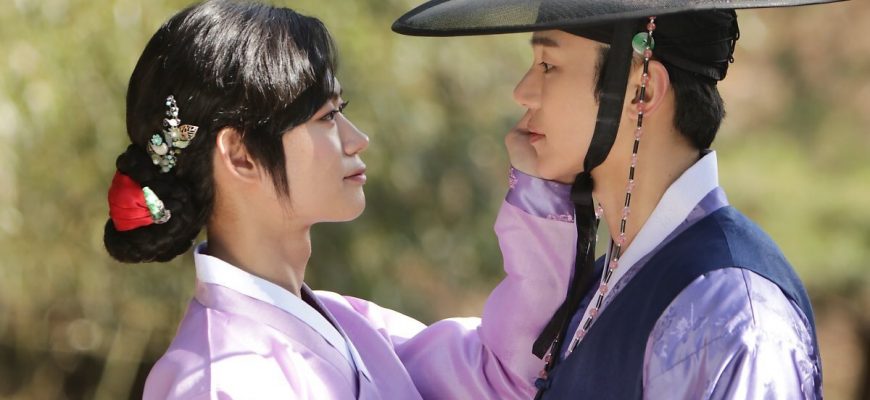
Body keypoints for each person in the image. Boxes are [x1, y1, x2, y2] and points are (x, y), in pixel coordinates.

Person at [104, 0, 579, 398]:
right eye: (327, 117)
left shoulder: (350, 326)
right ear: (241, 154)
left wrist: (541, 186)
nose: (358, 139)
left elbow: (503, 374)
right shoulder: (221, 381)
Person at [393, 0, 846, 398]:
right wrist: (541, 196)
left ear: (642, 91)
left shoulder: (730, 312)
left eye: (548, 65)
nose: (522, 92)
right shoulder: (606, 281)